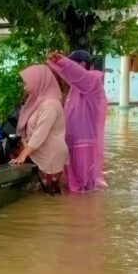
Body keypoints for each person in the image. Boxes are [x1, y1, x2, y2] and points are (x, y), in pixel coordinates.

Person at [47, 50, 108, 192]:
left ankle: (85, 211)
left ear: (81, 64)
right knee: (72, 185)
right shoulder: (76, 88)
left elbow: (77, 74)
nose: (69, 71)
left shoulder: (93, 82)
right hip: (72, 141)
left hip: (85, 143)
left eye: (72, 64)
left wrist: (60, 61)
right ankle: (75, 210)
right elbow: (73, 76)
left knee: (84, 187)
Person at [10, 64, 69, 195]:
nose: (23, 85)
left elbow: (39, 134)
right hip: (38, 154)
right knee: (43, 196)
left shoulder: (50, 105)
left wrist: (22, 155)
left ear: (38, 82)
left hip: (50, 158)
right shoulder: (38, 102)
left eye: (26, 82)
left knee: (51, 198)